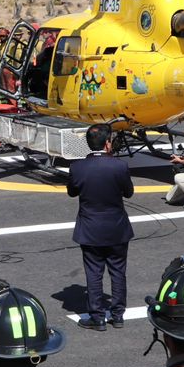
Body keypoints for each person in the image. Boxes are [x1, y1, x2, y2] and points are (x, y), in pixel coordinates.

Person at [66, 123, 133, 331]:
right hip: (116, 226)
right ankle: (118, 314)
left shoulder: (77, 167)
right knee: (118, 271)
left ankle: (97, 316)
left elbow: (72, 192)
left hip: (90, 227)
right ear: (107, 143)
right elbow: (128, 192)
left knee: (94, 272)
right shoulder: (119, 166)